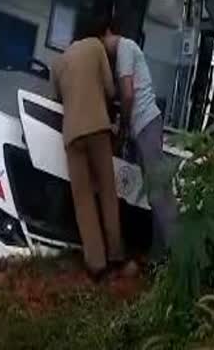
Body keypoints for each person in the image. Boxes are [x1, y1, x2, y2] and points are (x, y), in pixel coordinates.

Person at [50, 14, 124, 281]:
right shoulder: (96, 47)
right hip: (97, 127)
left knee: (82, 200)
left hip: (72, 134)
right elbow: (110, 89)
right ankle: (115, 255)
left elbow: (57, 98)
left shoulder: (58, 62)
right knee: (106, 190)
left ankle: (96, 264)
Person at [100, 18, 179, 260]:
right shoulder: (127, 51)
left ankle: (178, 253)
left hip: (145, 123)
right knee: (154, 192)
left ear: (108, 32)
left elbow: (126, 93)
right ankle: (159, 255)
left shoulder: (125, 47)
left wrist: (123, 126)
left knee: (158, 192)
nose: (102, 47)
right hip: (146, 124)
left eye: (101, 41)